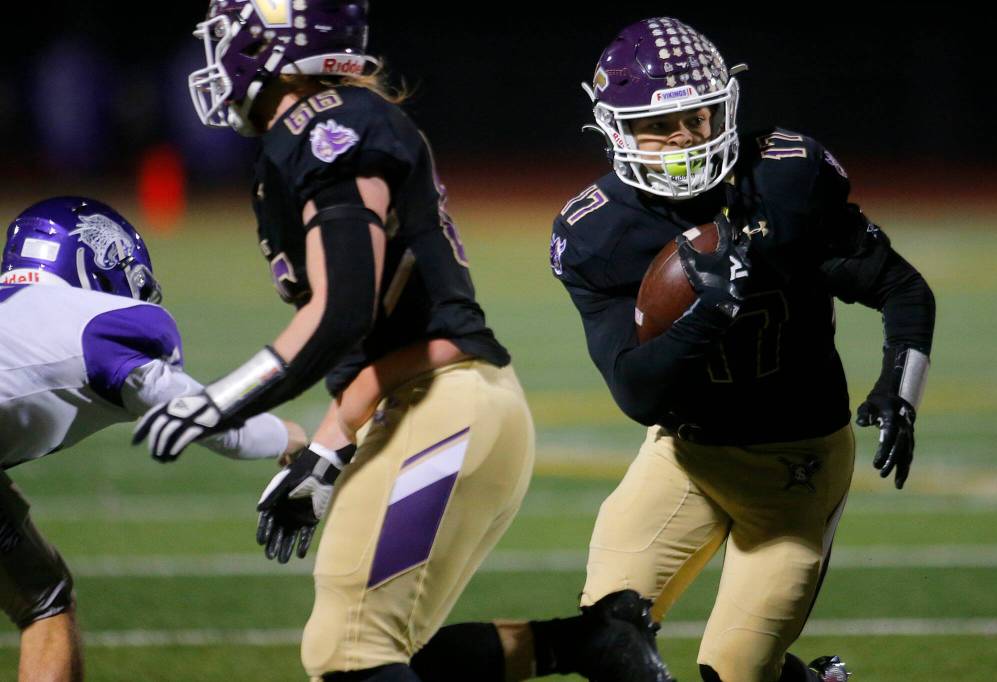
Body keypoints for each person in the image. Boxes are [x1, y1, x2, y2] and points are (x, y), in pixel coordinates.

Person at [137, 2, 535, 680]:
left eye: (233, 38)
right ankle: (587, 645)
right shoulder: (318, 129)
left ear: (276, 47)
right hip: (446, 403)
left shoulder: (328, 127)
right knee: (375, 644)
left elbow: (342, 311)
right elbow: (380, 342)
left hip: (443, 409)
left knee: (348, 649)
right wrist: (328, 446)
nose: (219, 56)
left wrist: (219, 402)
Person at [540, 16, 936, 682]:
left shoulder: (784, 179)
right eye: (658, 125)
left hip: (796, 469)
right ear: (616, 131)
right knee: (609, 644)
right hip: (684, 459)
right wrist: (710, 312)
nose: (684, 138)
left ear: (724, 106)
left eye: (697, 117)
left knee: (732, 671)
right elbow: (637, 393)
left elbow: (902, 288)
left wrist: (901, 386)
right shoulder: (597, 234)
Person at [0, 196, 307, 682]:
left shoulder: (20, 315)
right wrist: (289, 436)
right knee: (44, 599)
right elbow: (209, 421)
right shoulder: (98, 323)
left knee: (43, 594)